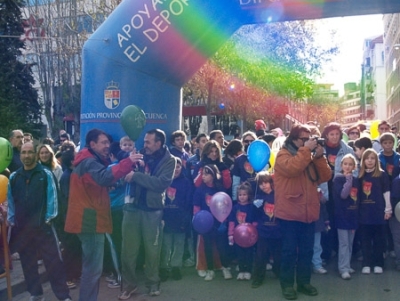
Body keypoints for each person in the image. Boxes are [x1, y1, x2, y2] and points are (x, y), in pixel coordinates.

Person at [64, 128, 139, 301]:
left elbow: (95, 183)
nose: (108, 146)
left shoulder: (87, 160)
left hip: (86, 220)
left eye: (108, 142)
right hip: (89, 221)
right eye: (103, 143)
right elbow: (104, 177)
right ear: (92, 144)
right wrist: (128, 162)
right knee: (92, 269)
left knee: (91, 267)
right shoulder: (90, 162)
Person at [7, 142, 72, 301]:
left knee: (53, 263)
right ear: (20, 155)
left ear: (35, 155)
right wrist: (11, 219)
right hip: (23, 230)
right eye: (23, 153)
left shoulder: (45, 174)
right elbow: (11, 201)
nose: (27, 156)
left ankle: (63, 296)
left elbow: (53, 198)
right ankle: (36, 293)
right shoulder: (15, 177)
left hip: (44, 228)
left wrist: (49, 219)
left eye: (30, 152)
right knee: (28, 264)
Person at [274, 124, 331, 300]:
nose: (308, 142)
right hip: (290, 213)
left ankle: (304, 282)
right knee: (289, 252)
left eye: (310, 139)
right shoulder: (283, 155)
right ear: (293, 138)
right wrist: (307, 151)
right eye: (303, 139)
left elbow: (325, 176)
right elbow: (293, 169)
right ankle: (287, 285)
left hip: (308, 212)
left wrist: (320, 157)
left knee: (307, 251)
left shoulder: (308, 156)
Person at [120, 129, 176, 299]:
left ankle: (153, 283)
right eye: (144, 141)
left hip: (153, 211)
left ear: (159, 143)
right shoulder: (137, 155)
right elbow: (124, 176)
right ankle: (129, 285)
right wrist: (129, 172)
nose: (144, 145)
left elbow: (160, 184)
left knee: (153, 250)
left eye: (148, 142)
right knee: (128, 250)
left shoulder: (170, 161)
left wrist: (136, 176)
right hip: (132, 208)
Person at [193, 164, 232, 281]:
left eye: (206, 174)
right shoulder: (200, 190)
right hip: (205, 224)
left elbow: (226, 205)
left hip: (219, 223)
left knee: (222, 247)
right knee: (208, 247)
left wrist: (224, 222)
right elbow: (196, 206)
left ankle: (225, 267)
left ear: (213, 175)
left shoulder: (219, 189)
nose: (203, 176)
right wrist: (197, 221)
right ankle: (210, 270)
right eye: (203, 174)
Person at [358, 149, 392, 275]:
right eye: (367, 158)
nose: (370, 161)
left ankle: (378, 263)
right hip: (364, 214)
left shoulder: (382, 175)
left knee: (379, 240)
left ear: (376, 161)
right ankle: (366, 263)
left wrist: (388, 209)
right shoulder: (360, 176)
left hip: (378, 213)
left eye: (373, 158)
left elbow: (386, 192)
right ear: (363, 160)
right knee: (365, 240)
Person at [159, 158, 192, 281]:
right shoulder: (164, 181)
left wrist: (185, 219)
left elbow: (188, 202)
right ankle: (163, 267)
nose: (175, 170)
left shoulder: (186, 183)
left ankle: (175, 266)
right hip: (165, 218)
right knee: (166, 244)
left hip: (180, 219)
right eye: (173, 167)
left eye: (178, 167)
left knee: (179, 244)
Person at [252, 171, 281, 288]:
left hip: (278, 231)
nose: (263, 185)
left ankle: (278, 272)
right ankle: (258, 278)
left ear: (271, 183)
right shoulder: (258, 197)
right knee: (261, 256)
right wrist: (255, 206)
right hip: (263, 231)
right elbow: (255, 215)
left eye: (266, 182)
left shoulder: (277, 195)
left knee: (278, 255)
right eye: (260, 184)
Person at [333, 154, 359, 280]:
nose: (348, 166)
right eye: (345, 164)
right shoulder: (338, 179)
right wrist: (348, 180)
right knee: (343, 243)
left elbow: (356, 198)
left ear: (354, 166)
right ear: (341, 165)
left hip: (352, 215)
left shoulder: (356, 179)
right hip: (342, 216)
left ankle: (347, 265)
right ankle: (342, 268)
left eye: (350, 164)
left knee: (350, 242)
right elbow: (343, 195)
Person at [227, 182, 255, 281]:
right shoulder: (235, 208)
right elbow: (231, 222)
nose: (242, 197)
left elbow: (254, 222)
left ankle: (248, 271)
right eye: (240, 195)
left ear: (248, 195)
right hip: (238, 236)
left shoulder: (251, 207)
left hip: (249, 237)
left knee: (249, 254)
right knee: (240, 254)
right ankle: (241, 270)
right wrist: (230, 234)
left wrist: (254, 234)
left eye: (244, 195)